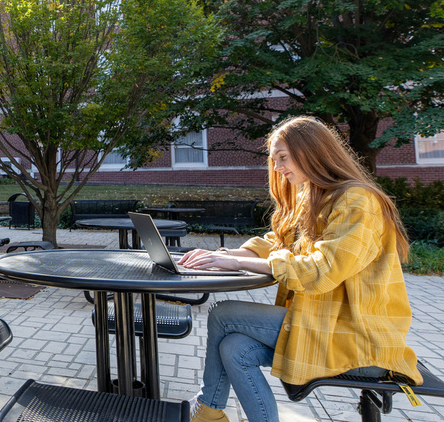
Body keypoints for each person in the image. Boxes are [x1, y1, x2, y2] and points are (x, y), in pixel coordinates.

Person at [179, 116, 422, 422]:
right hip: (322, 326)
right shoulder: (314, 195)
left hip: (360, 339)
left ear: (313, 152)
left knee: (223, 314)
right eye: (274, 160)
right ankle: (219, 414)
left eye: (283, 157)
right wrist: (224, 255)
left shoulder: (358, 201)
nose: (277, 167)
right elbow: (278, 241)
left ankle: (207, 412)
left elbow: (322, 271)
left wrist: (237, 262)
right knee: (235, 347)